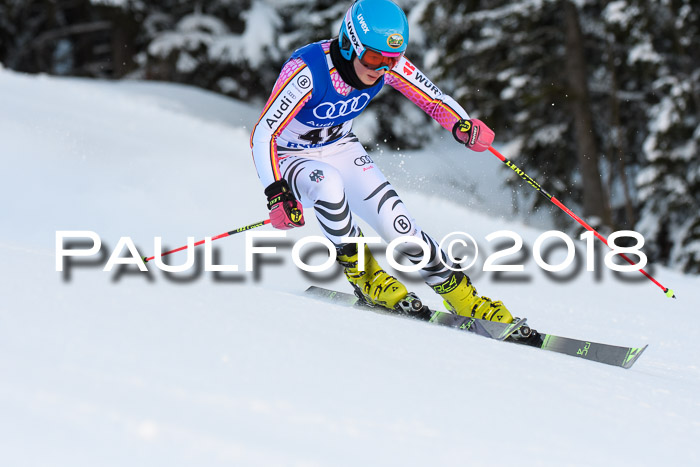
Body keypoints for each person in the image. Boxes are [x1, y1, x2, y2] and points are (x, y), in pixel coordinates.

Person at [250, 0, 513, 323]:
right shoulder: (307, 71)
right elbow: (264, 134)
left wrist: (462, 125)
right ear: (349, 44)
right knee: (328, 184)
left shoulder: (387, 65)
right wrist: (277, 193)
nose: (382, 68)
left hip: (340, 146)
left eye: (392, 59)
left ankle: (465, 299)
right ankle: (368, 279)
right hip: (291, 156)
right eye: (374, 58)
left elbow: (432, 99)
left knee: (400, 227)